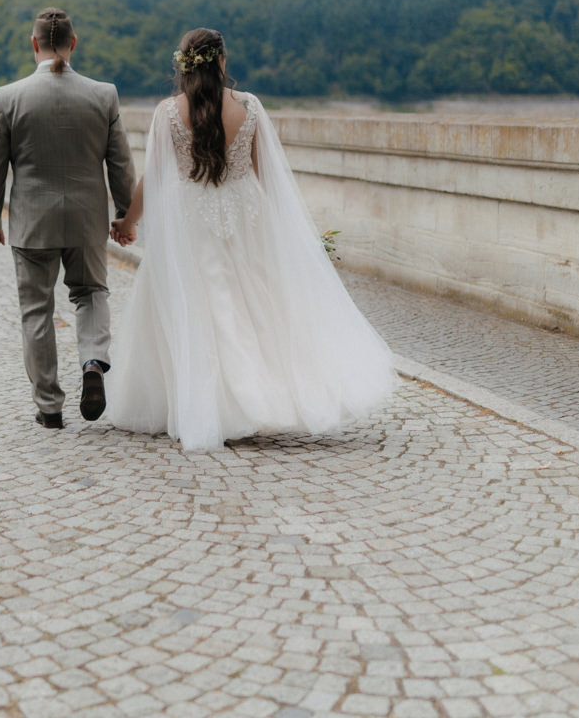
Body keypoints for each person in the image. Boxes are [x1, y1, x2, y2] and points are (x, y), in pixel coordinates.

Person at [106, 28, 396, 451]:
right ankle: (257, 398)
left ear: (183, 65)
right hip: (245, 215)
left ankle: (218, 404)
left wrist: (128, 220)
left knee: (201, 306)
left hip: (191, 219)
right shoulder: (250, 107)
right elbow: (270, 177)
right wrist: (295, 235)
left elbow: (154, 177)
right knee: (252, 303)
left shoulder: (167, 112)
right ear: (222, 60)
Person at [0, 8, 136, 429]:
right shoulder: (103, 94)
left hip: (32, 222)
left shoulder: (8, 97)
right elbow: (121, 164)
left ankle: (49, 407)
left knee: (36, 310)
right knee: (91, 293)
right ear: (74, 43)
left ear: (34, 44)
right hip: (87, 219)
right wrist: (124, 215)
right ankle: (93, 362)